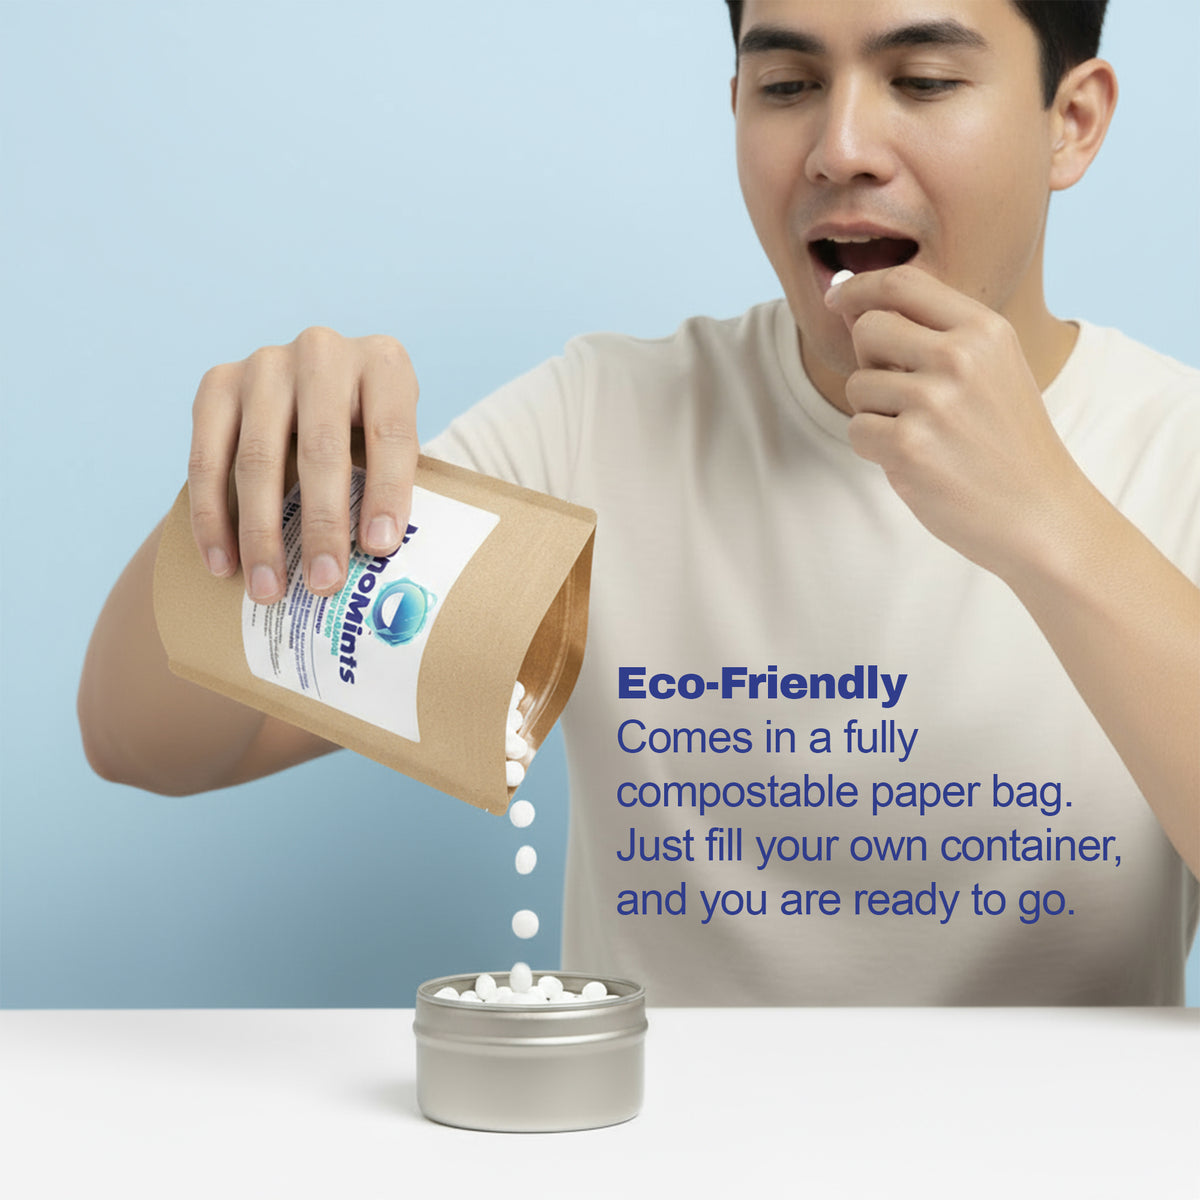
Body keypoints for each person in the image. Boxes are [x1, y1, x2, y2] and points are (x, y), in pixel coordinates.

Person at [79, 0, 1199, 1003]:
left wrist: (1050, 520)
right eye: (788, 85)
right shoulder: (598, 425)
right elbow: (150, 741)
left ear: (1072, 122)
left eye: (923, 80)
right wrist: (260, 485)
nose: (841, 148)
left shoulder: (1177, 451)